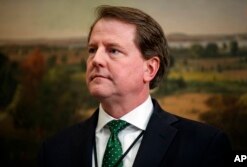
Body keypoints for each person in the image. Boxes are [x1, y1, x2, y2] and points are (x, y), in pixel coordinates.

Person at [38, 5, 231, 167]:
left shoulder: (204, 145)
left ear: (149, 68)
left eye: (113, 50)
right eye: (92, 49)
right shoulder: (54, 150)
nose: (96, 60)